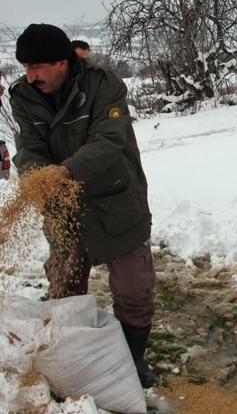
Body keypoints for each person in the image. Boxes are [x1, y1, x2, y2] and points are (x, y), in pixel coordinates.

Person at [9, 24, 157, 387]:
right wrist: (34, 174)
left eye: (36, 68)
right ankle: (73, 357)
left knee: (134, 287)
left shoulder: (104, 85)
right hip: (64, 206)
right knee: (63, 287)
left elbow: (108, 141)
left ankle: (134, 358)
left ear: (62, 62)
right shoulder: (24, 96)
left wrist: (65, 171)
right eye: (25, 68)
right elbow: (29, 146)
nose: (29, 77)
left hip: (115, 198)